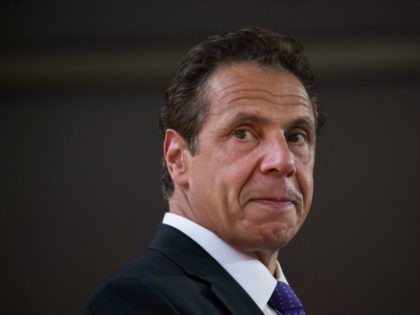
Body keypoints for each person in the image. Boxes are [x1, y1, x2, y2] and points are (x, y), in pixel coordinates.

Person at [82, 27, 324, 315]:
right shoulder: (137, 302)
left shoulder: (273, 301)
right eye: (243, 133)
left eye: (296, 136)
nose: (283, 161)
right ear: (177, 159)